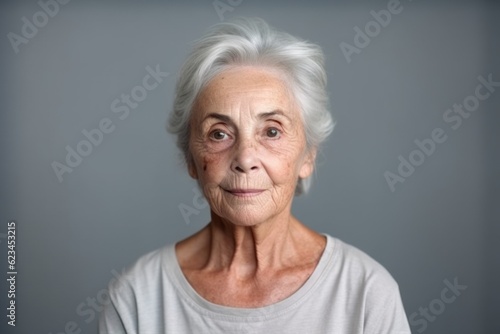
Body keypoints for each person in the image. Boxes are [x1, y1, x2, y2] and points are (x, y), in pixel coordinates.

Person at [99, 17, 411, 333]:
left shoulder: (366, 294)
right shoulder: (137, 298)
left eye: (272, 131)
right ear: (190, 157)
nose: (245, 159)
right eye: (219, 134)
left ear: (308, 155)